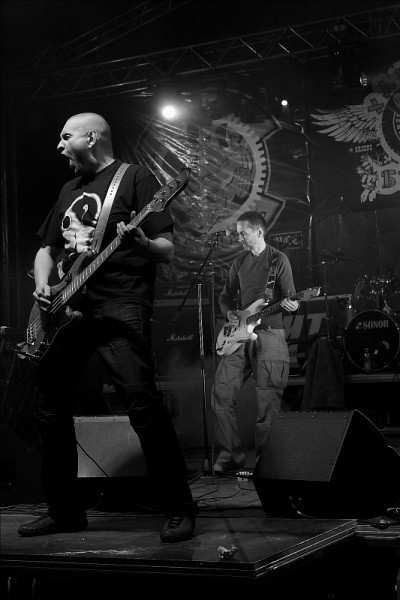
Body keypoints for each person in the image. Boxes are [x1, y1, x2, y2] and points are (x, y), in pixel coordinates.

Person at [17, 112, 197, 542]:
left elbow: (166, 249)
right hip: (66, 308)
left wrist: (143, 243)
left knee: (142, 404)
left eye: (66, 137)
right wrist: (43, 284)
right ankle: (65, 512)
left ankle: (178, 508)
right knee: (50, 408)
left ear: (92, 138)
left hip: (120, 303)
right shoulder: (68, 190)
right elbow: (47, 249)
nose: (59, 146)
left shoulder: (135, 178)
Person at [211, 211, 299, 473]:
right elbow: (225, 297)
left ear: (259, 231)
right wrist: (230, 313)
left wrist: (292, 304)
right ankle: (230, 456)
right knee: (221, 394)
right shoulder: (239, 262)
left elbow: (291, 297)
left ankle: (265, 463)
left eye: (243, 233)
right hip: (239, 334)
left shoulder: (278, 259)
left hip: (269, 333)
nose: (239, 238)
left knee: (267, 402)